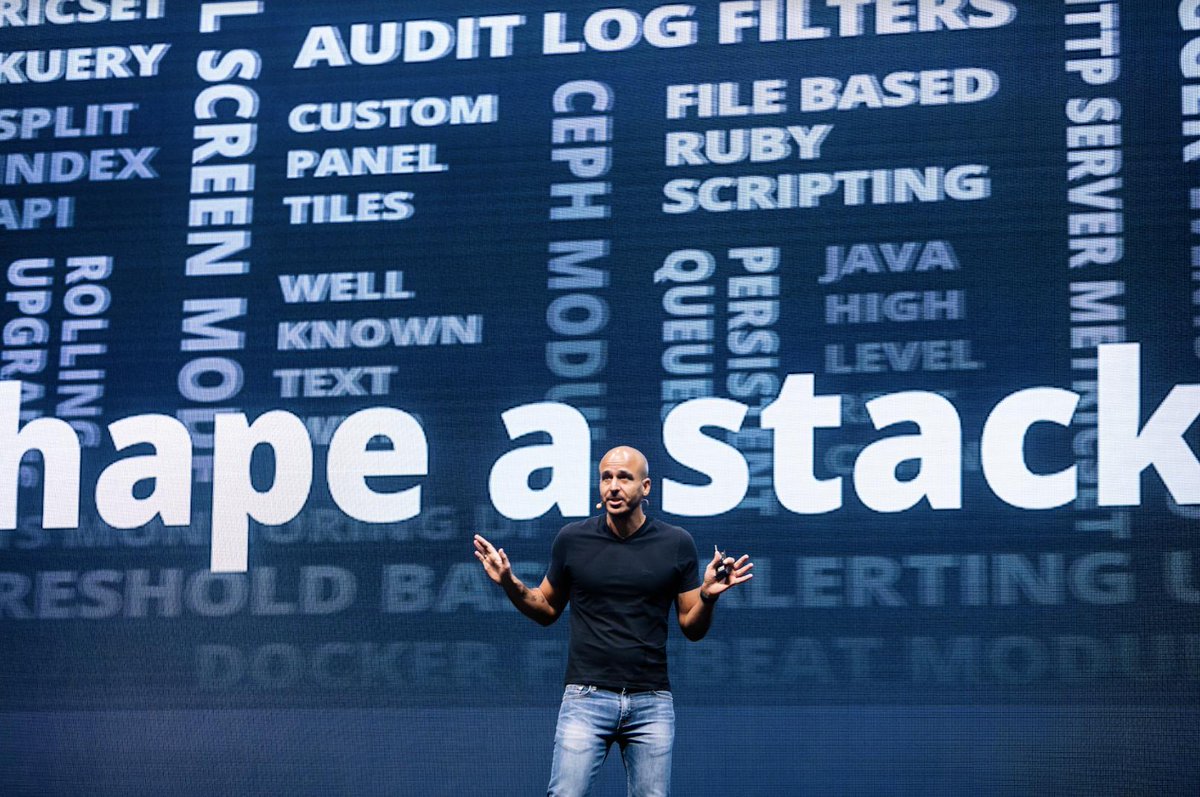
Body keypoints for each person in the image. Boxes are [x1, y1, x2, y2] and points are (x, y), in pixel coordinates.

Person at [473, 445, 753, 797]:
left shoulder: (676, 543)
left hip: (651, 701)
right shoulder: (572, 539)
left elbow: (691, 627)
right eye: (606, 478)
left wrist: (708, 596)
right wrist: (510, 583)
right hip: (585, 698)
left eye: (624, 477)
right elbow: (545, 609)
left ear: (645, 487)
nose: (614, 486)